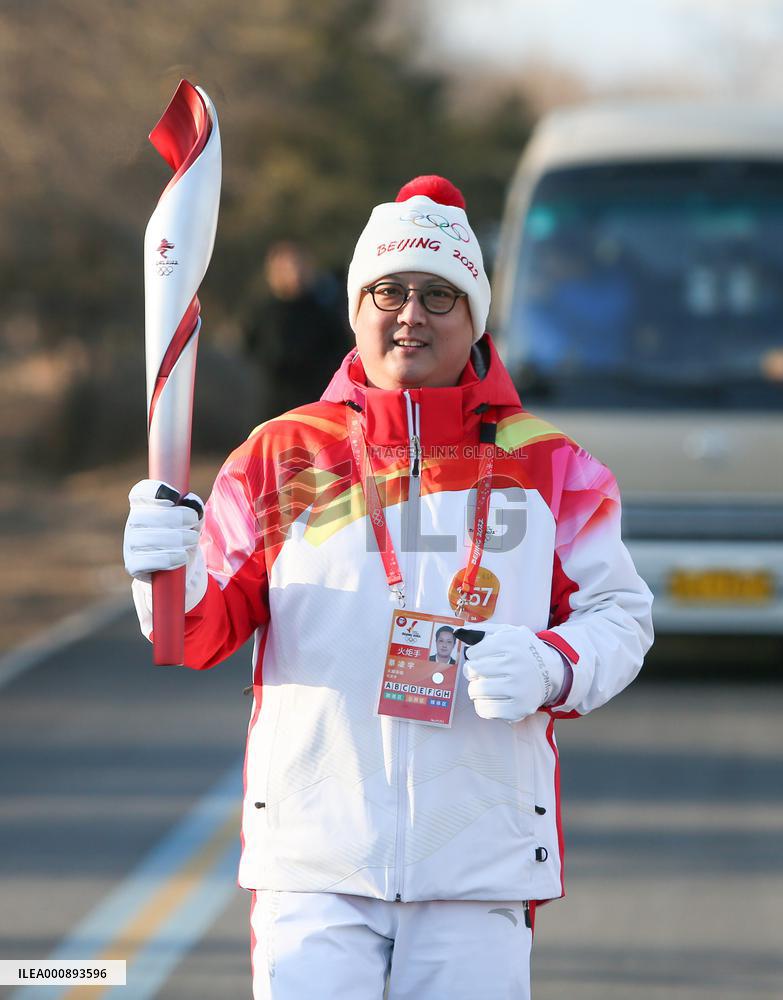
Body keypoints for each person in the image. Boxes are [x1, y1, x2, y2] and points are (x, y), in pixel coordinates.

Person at [124, 175, 654, 999]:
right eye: (389, 290)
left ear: (474, 317)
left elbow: (619, 615)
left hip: (478, 866)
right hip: (313, 863)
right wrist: (161, 569)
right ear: (356, 308)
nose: (411, 313)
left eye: (440, 295)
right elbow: (195, 634)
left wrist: (551, 664)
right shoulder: (279, 458)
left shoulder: (550, 465)